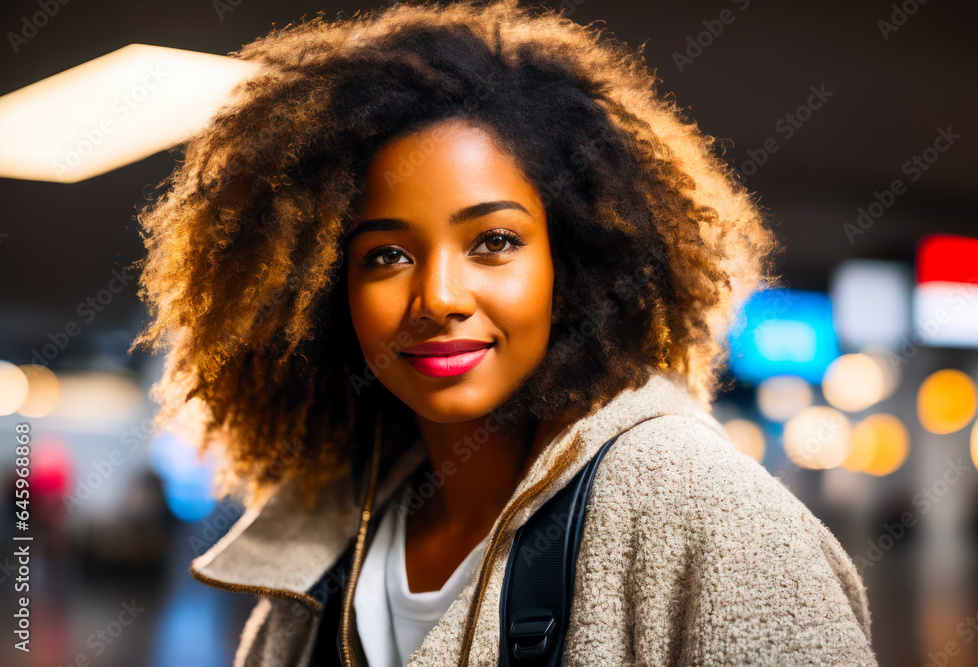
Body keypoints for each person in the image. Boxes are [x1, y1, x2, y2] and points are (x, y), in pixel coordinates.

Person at [128, 1, 878, 665]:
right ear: (327, 292)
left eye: (493, 241)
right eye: (386, 255)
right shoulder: (325, 554)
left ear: (572, 262)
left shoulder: (704, 513)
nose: (439, 297)